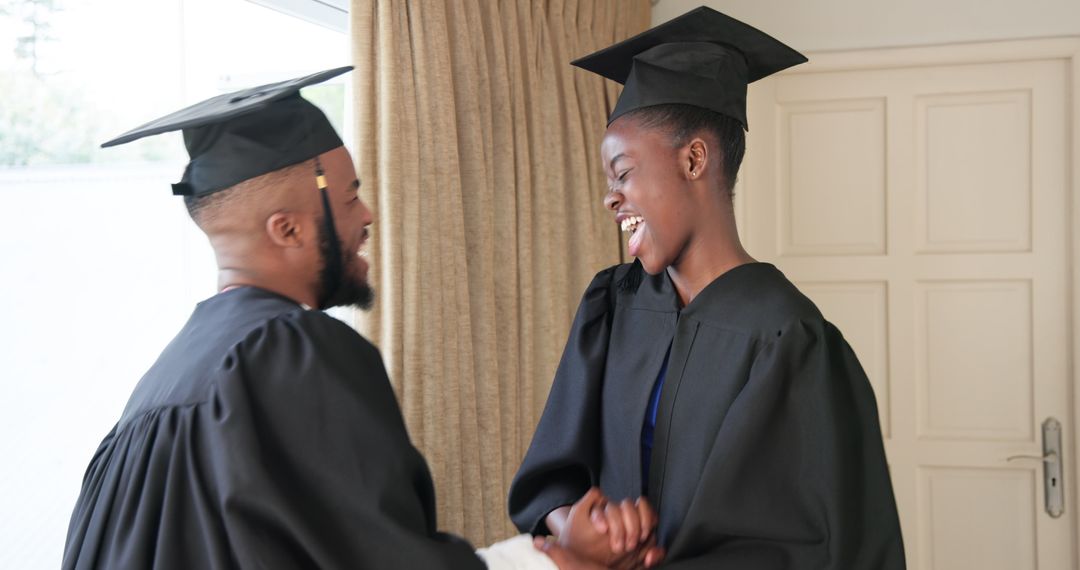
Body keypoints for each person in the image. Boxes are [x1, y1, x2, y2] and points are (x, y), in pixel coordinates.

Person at [60, 67, 652, 570]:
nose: (366, 214)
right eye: (348, 198)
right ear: (287, 228)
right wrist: (553, 556)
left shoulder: (162, 383)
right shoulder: (286, 352)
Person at [508, 7, 906, 569]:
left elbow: (818, 546)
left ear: (694, 159)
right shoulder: (614, 304)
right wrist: (576, 524)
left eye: (622, 173)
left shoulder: (791, 340)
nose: (610, 198)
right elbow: (554, 475)